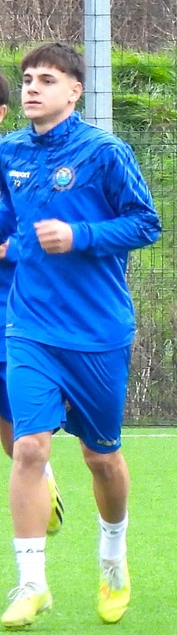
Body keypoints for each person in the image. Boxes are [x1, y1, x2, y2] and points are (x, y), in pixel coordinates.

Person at [0, 44, 161, 631]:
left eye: (47, 79)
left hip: (97, 331)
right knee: (29, 448)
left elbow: (146, 223)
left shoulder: (105, 152)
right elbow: (9, 225)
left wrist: (80, 235)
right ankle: (32, 583)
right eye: (27, 79)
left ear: (75, 92)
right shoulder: (9, 153)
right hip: (29, 326)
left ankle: (113, 559)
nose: (32, 88)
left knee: (101, 457)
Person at [0, 70, 67, 549]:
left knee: (16, 436)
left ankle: (41, 479)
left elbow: (41, 229)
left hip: (12, 313)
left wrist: (12, 248)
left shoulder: (17, 163)